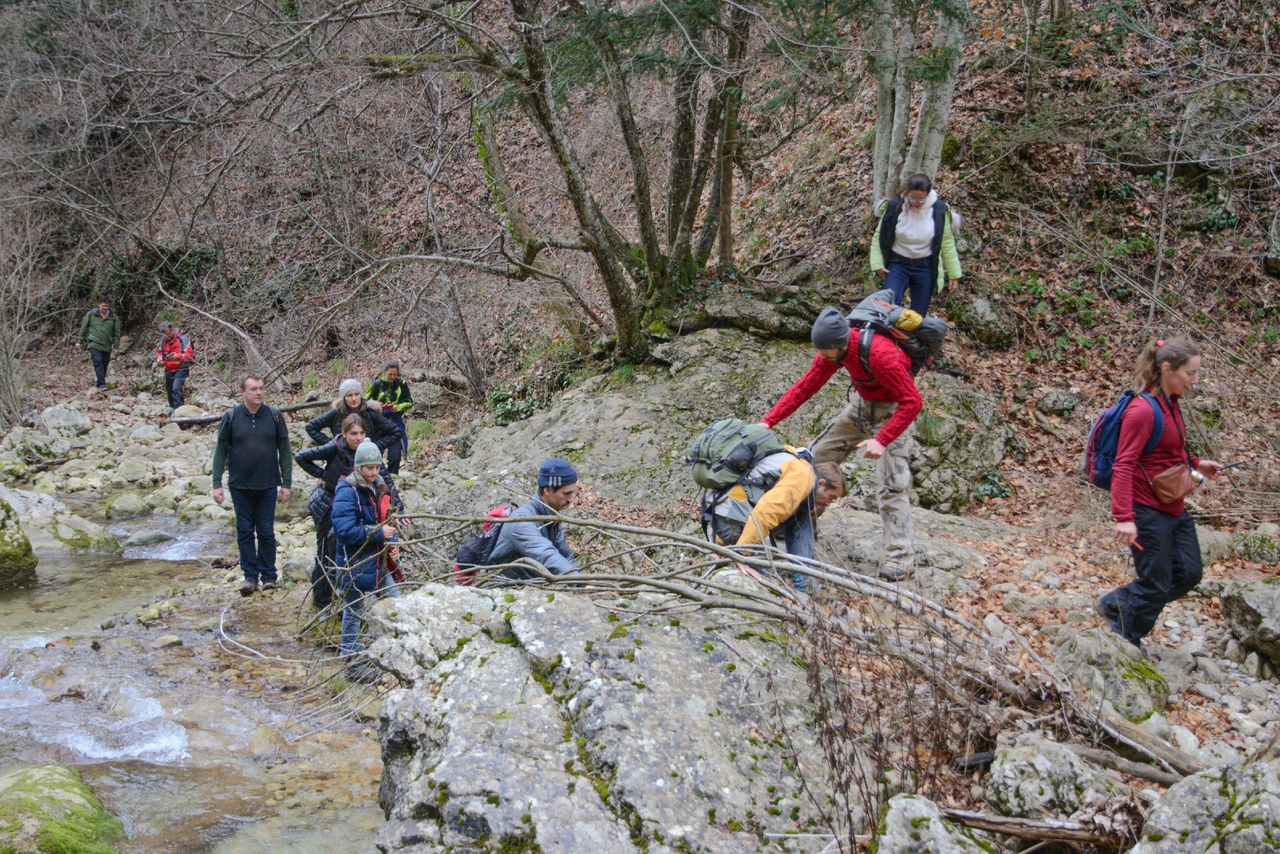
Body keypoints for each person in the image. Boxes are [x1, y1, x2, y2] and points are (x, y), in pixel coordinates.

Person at [761, 307, 923, 581]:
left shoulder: (882, 355)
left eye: (824, 352)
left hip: (894, 411)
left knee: (892, 484)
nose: (821, 357)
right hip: (861, 405)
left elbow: (913, 401)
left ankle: (899, 558)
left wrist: (883, 440)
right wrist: (768, 421)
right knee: (811, 459)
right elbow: (805, 386)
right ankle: (800, 523)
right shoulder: (833, 350)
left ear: (839, 344)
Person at [1096, 338, 1225, 654]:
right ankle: (1125, 637)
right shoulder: (1142, 410)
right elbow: (1124, 464)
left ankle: (1117, 604)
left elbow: (1169, 452)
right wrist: (1124, 518)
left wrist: (1197, 464)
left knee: (1189, 573)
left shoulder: (1171, 403)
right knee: (1155, 584)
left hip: (1172, 506)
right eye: (1190, 374)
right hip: (1145, 509)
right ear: (1168, 368)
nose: (1194, 381)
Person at [295, 414, 399, 610]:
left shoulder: (369, 455)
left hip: (358, 505)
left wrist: (399, 506)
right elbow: (301, 457)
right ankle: (322, 602)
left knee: (357, 547)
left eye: (361, 433)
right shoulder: (334, 446)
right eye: (353, 434)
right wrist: (324, 475)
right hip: (328, 504)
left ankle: (349, 595)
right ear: (344, 434)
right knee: (325, 552)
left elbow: (386, 481)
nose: (358, 438)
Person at [211, 376, 294, 596]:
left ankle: (269, 576)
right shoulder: (231, 417)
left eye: (261, 388)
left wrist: (286, 483)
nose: (259, 392)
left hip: (267, 484)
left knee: (266, 531)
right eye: (254, 389)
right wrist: (216, 483)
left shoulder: (275, 417)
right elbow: (220, 451)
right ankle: (250, 576)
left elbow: (284, 451)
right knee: (245, 531)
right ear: (243, 392)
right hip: (240, 485)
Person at [331, 439, 401, 682]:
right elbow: (344, 530)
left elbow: (389, 519)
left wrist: (394, 544)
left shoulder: (380, 486)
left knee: (396, 604)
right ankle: (351, 662)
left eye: (376, 467)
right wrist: (378, 534)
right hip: (355, 563)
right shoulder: (347, 491)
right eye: (368, 468)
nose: (373, 472)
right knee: (353, 611)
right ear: (358, 467)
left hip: (379, 561)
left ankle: (394, 656)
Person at [726, 459, 848, 593]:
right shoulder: (800, 480)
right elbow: (764, 515)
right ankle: (803, 591)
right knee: (767, 581)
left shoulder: (802, 471)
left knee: (803, 515)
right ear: (821, 483)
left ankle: (806, 588)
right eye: (831, 497)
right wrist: (740, 554)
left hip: (739, 512)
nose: (828, 504)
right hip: (730, 515)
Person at [869, 173, 962, 316]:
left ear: (928, 195)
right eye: (912, 198)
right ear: (906, 194)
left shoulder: (939, 211)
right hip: (898, 264)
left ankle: (907, 338)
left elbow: (947, 244)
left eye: (921, 199)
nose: (916, 203)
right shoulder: (895, 207)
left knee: (917, 316)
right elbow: (879, 237)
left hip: (925, 267)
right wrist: (877, 264)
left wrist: (954, 274)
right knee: (887, 307)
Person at [485, 458, 581, 580]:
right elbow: (547, 555)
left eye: (573, 493)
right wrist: (579, 582)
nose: (571, 499)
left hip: (531, 589)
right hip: (502, 592)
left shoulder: (552, 517)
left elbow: (566, 556)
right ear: (547, 490)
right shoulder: (521, 521)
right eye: (566, 494)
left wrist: (583, 583)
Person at [306, 378, 403, 456]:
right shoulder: (336, 413)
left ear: (361, 395)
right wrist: (331, 445)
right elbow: (311, 427)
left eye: (357, 394)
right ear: (344, 398)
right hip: (340, 458)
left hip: (366, 457)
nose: (354, 398)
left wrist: (375, 446)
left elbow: (396, 431)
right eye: (349, 395)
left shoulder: (370, 413)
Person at [367, 360, 413, 474]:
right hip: (378, 423)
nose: (392, 377)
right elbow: (365, 402)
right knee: (375, 453)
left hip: (394, 423)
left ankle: (393, 478)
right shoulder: (376, 385)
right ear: (384, 372)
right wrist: (377, 406)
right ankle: (376, 477)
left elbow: (409, 402)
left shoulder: (401, 384)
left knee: (395, 455)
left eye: (394, 374)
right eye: (390, 374)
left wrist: (397, 407)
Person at [76, 298, 122, 391]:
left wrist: (116, 346)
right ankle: (102, 384)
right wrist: (79, 341)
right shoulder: (91, 315)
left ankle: (99, 383)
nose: (105, 308)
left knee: (104, 364)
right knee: (98, 361)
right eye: (103, 306)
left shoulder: (113, 317)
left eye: (107, 306)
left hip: (106, 345)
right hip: (94, 343)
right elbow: (83, 328)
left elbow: (117, 333)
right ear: (99, 304)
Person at [156, 321, 195, 410]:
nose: (166, 336)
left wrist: (177, 356)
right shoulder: (164, 340)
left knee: (176, 389)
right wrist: (160, 359)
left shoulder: (183, 339)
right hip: (168, 368)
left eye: (167, 333)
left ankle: (179, 412)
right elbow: (160, 352)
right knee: (170, 392)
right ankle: (172, 411)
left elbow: (190, 355)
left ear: (172, 330)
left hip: (181, 368)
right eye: (164, 334)